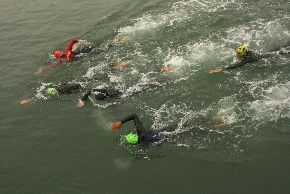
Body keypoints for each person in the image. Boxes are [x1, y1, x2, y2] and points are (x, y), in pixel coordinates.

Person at [19, 82, 121, 106]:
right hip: (76, 84)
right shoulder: (58, 87)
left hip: (78, 87)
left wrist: (81, 100)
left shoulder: (62, 91)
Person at [111, 113, 179, 145]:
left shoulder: (144, 145)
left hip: (167, 138)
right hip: (165, 131)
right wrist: (120, 122)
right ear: (135, 135)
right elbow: (134, 116)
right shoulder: (141, 132)